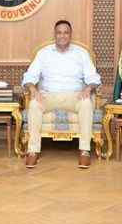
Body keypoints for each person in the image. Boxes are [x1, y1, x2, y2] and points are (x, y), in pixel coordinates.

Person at [22, 20, 101, 169]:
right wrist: (33, 89)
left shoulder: (81, 53)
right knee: (34, 104)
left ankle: (84, 151)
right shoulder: (43, 53)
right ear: (55, 34)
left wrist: (89, 88)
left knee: (86, 103)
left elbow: (94, 77)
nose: (62, 36)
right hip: (49, 96)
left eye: (66, 32)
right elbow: (29, 76)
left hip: (74, 96)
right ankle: (33, 151)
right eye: (59, 32)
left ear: (70, 35)